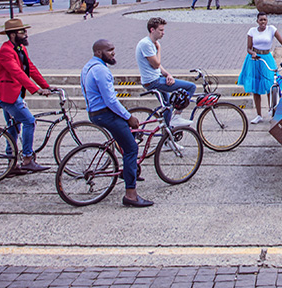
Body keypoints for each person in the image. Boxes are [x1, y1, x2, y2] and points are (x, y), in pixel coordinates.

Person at [82, 39, 152, 207]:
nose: (113, 53)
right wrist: (129, 117)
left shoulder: (88, 67)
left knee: (125, 138)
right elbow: (110, 100)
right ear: (99, 53)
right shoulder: (101, 71)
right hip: (105, 114)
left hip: (95, 112)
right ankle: (131, 195)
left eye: (113, 49)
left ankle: (128, 172)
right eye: (109, 50)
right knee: (131, 149)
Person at [0, 18, 50, 173]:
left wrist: (46, 86)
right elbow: (17, 73)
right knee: (29, 121)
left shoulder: (20, 48)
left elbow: (30, 68)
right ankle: (28, 159)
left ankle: (12, 164)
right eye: (22, 32)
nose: (26, 34)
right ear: (12, 34)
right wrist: (35, 90)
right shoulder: (6, 50)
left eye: (25, 31)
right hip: (5, 95)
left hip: (13, 93)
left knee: (14, 128)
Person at [135, 17, 197, 128]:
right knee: (191, 87)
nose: (163, 33)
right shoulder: (147, 44)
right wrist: (159, 49)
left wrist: (167, 74)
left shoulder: (151, 43)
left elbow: (157, 66)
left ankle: (169, 138)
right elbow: (156, 64)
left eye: (163, 30)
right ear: (152, 30)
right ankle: (177, 116)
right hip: (154, 82)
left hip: (156, 78)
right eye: (161, 30)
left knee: (167, 106)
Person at [238, 12, 282, 124]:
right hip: (255, 60)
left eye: (265, 20)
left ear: (267, 20)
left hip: (267, 58)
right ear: (257, 21)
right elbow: (248, 48)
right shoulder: (252, 31)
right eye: (261, 20)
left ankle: (272, 109)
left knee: (270, 84)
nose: (263, 22)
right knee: (255, 88)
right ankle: (259, 115)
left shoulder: (271, 29)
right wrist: (252, 53)